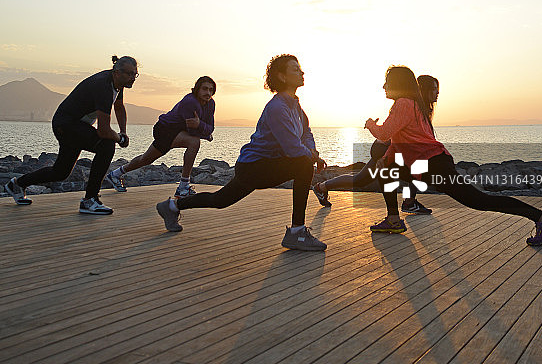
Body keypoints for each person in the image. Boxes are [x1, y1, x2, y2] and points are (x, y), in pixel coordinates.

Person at [364, 65, 542, 247]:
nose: (383, 86)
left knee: (479, 200)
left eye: (387, 81)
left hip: (434, 165)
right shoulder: (414, 106)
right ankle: (393, 219)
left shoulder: (404, 104)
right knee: (385, 170)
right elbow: (403, 140)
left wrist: (371, 124)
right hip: (429, 164)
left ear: (398, 83)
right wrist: (387, 158)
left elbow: (384, 134)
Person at [156, 54, 329, 251]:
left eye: (300, 69)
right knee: (303, 164)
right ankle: (296, 232)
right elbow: (292, 148)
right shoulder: (277, 107)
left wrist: (313, 151)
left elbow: (306, 131)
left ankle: (171, 206)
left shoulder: (294, 105)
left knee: (219, 200)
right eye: (295, 69)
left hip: (263, 165)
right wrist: (312, 157)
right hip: (253, 166)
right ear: (281, 77)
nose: (301, 72)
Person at [4, 55, 138, 215]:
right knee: (106, 145)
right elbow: (103, 131)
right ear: (117, 72)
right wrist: (120, 138)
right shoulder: (102, 86)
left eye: (135, 74)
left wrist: (123, 131)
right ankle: (90, 200)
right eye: (129, 74)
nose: (133, 78)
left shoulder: (117, 83)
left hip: (73, 125)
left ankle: (17, 184)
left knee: (61, 172)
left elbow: (119, 107)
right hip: (66, 124)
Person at [312, 74, 441, 215]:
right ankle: (321, 187)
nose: (437, 93)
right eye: (434, 89)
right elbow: (390, 134)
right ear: (423, 89)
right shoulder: (409, 106)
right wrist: (372, 126)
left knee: (419, 167)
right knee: (360, 180)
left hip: (395, 150)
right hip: (383, 148)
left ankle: (409, 202)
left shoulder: (422, 109)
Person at [108, 76, 216, 197]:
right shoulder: (190, 102)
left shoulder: (211, 103)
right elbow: (193, 130)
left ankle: (115, 174)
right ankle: (183, 186)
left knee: (146, 159)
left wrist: (200, 126)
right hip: (165, 129)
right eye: (205, 89)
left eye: (211, 90)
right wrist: (204, 131)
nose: (208, 93)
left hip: (178, 131)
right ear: (197, 89)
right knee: (194, 142)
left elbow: (210, 127)